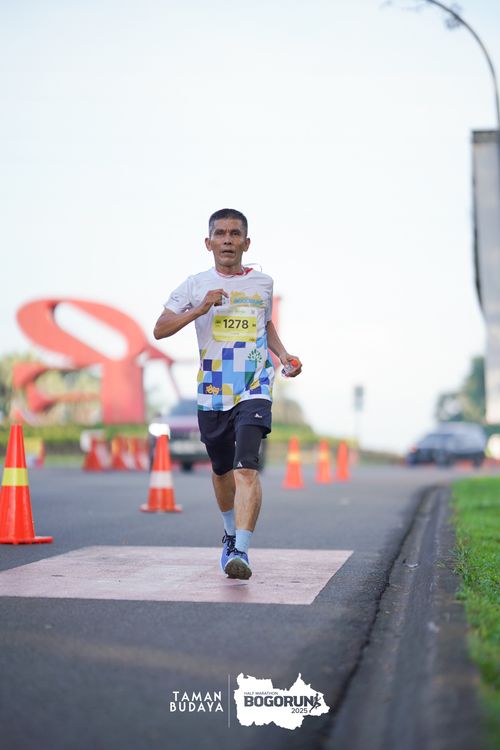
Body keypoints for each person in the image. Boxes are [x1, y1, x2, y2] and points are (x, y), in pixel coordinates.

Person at [153, 208, 302, 580]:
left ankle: (241, 550)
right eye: (220, 234)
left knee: (246, 468)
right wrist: (200, 308)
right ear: (208, 243)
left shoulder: (262, 283)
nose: (228, 240)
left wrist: (283, 355)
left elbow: (265, 323)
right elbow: (160, 329)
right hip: (213, 391)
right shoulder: (194, 285)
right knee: (221, 471)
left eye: (235, 234)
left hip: (254, 386)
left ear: (246, 243)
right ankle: (230, 533)